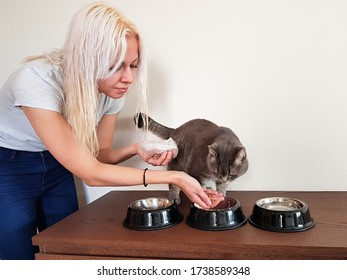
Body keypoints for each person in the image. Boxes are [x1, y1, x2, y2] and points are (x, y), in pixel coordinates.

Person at [0, 3, 223, 260]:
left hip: (57, 165)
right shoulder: (35, 81)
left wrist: (136, 148)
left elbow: (99, 155)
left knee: (64, 248)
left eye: (134, 65)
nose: (128, 77)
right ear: (87, 58)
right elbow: (91, 174)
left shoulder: (110, 91)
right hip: (9, 166)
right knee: (17, 256)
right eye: (117, 65)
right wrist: (176, 178)